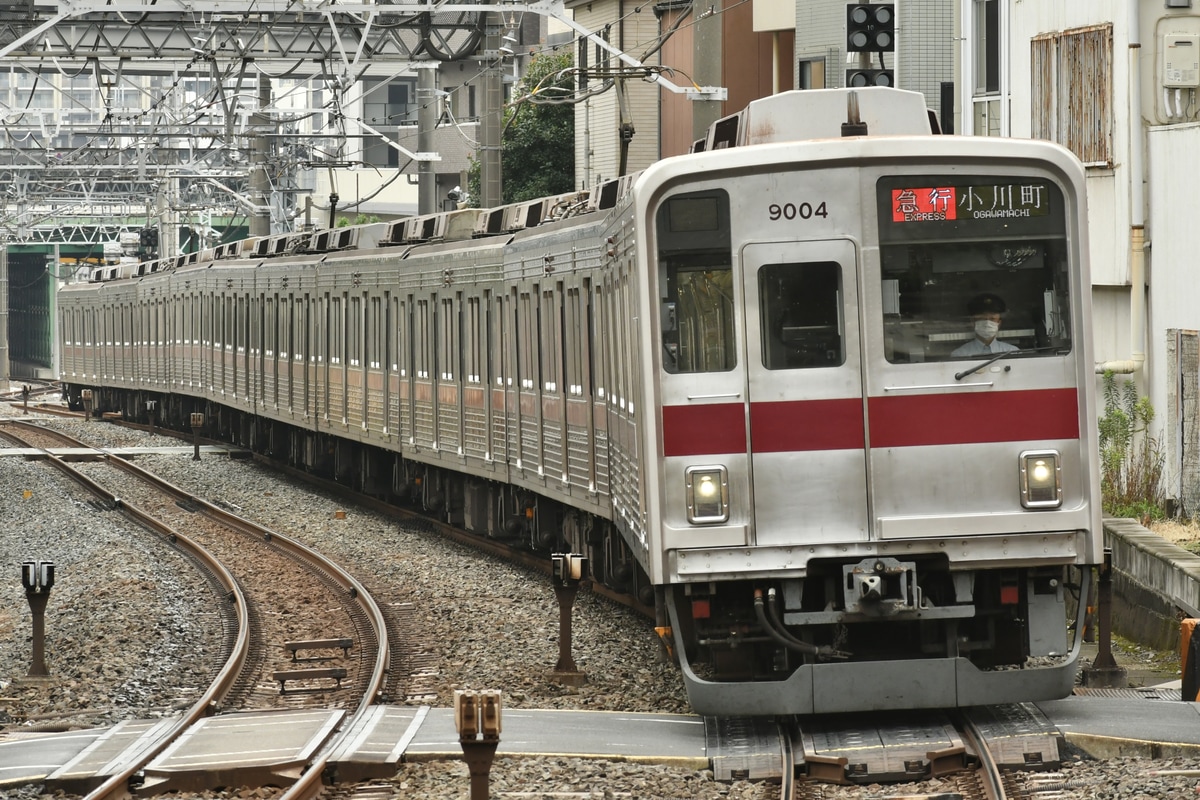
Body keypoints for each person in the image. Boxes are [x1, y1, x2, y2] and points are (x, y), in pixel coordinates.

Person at [952, 293, 1019, 357]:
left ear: (999, 323)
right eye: (982, 318)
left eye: (992, 319)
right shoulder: (960, 355)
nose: (987, 323)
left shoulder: (1012, 352)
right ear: (973, 322)